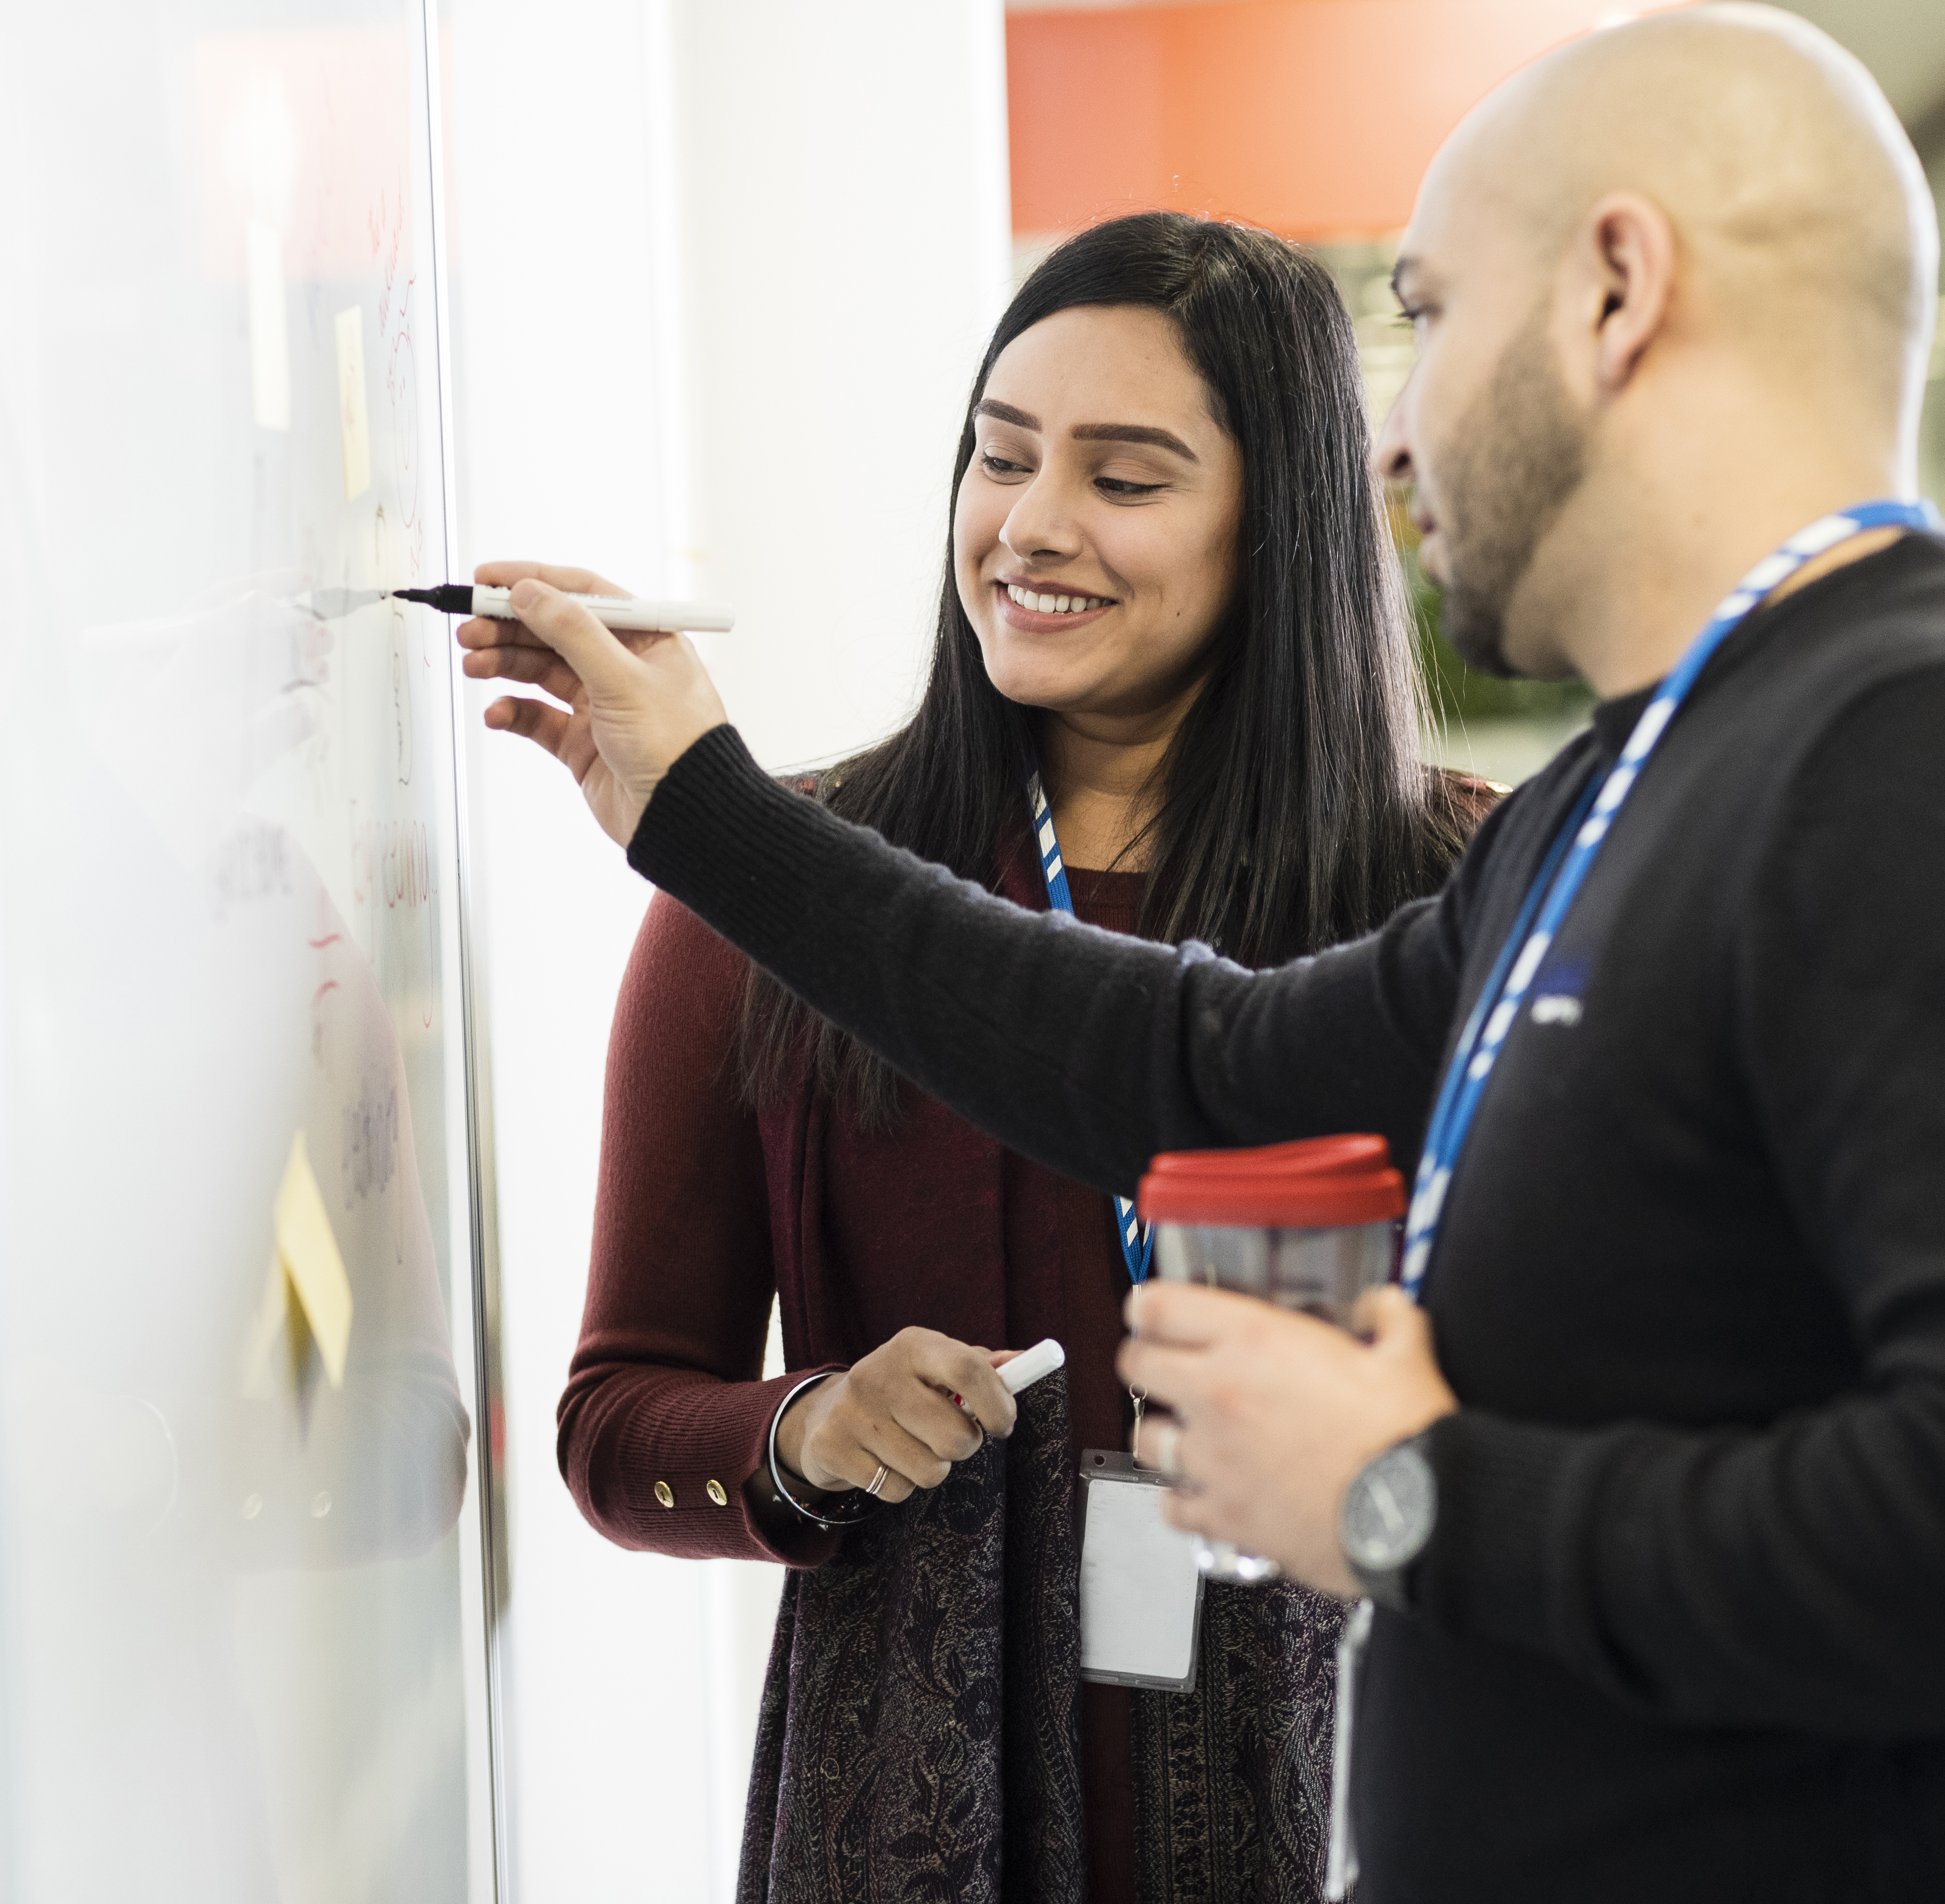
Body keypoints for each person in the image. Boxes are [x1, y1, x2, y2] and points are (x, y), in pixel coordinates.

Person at [468, 8, 1945, 1898]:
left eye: (1434, 313)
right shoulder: (1628, 792)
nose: (1394, 432)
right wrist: (707, 813)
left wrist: (1407, 1493)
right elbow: (1200, 1071)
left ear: (1615, 292)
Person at [527, 212, 1495, 1904]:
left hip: (1363, 1787)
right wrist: (808, 1432)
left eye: (1125, 478)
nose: (1031, 528)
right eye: (1000, 455)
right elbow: (617, 1421)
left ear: (1284, 530)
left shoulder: (1452, 898)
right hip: (908, 1813)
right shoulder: (780, 884)